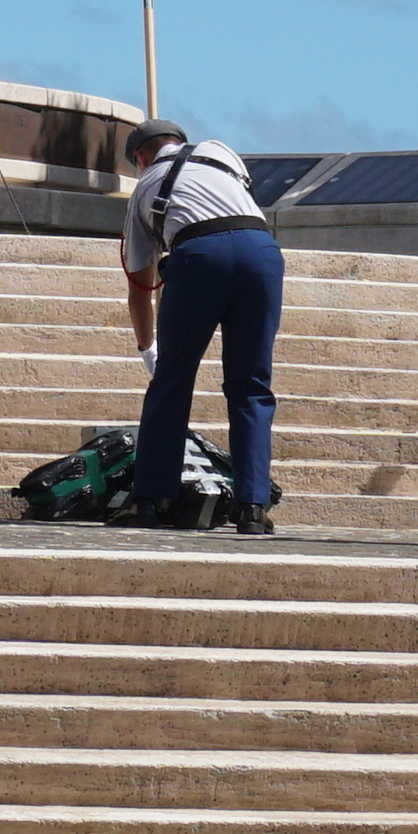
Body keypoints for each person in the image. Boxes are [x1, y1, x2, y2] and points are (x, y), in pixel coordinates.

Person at [114, 123, 285, 534]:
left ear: (140, 158)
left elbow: (140, 287)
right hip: (261, 251)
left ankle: (151, 501)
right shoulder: (220, 152)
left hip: (198, 256)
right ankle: (252, 507)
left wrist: (147, 350)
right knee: (251, 385)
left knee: (172, 383)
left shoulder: (144, 188)